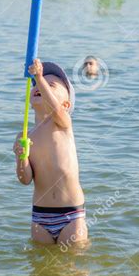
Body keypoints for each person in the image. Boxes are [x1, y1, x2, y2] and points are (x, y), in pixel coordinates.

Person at [13, 59, 88, 246]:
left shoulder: (62, 124)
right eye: (37, 84)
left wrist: (38, 75)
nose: (40, 85)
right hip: (40, 216)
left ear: (66, 105)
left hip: (70, 214)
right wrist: (20, 158)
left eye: (50, 85)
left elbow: (55, 110)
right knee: (41, 270)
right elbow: (25, 179)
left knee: (72, 271)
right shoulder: (25, 135)